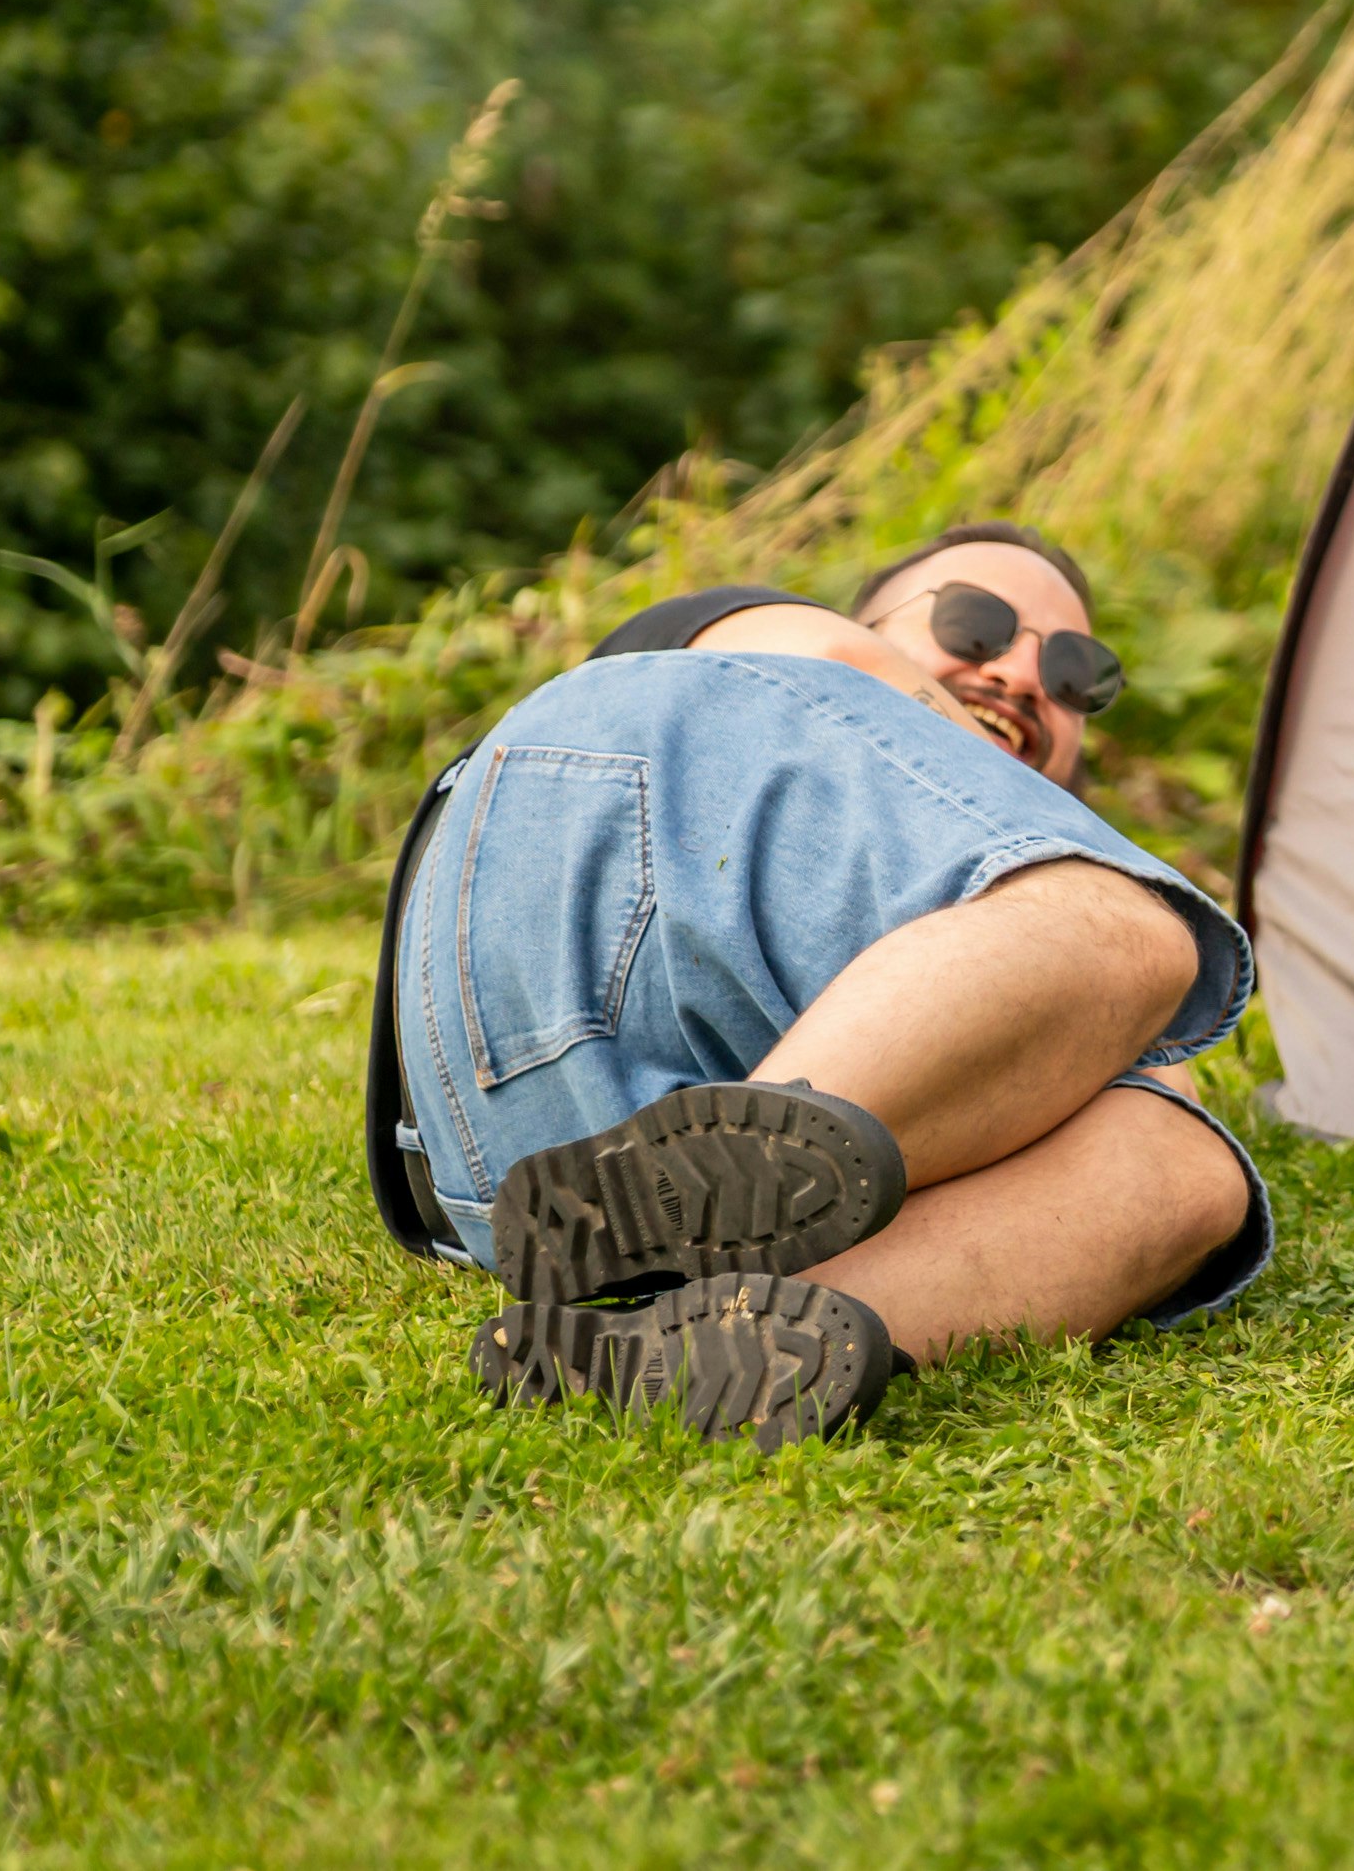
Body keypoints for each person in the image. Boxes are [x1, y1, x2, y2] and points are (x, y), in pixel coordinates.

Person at [360, 520, 1266, 1448]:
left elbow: (1157, 1104)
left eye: (1078, 675)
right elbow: (833, 657)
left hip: (492, 1167)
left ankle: (674, 1338)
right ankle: (703, 1189)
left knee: (1194, 1176)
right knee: (1142, 938)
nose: (1026, 677)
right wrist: (1100, 894)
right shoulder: (770, 646)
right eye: (976, 624)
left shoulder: (1015, 941)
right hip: (558, 866)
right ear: (872, 619)